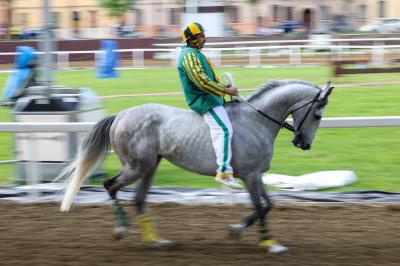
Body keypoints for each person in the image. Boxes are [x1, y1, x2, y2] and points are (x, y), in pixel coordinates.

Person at [177, 22, 242, 189]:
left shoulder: (196, 54)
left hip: (212, 98)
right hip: (203, 101)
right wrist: (226, 91)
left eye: (203, 35)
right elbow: (201, 82)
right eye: (201, 36)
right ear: (192, 39)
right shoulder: (189, 55)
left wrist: (224, 88)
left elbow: (209, 79)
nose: (204, 39)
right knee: (225, 129)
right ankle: (224, 173)